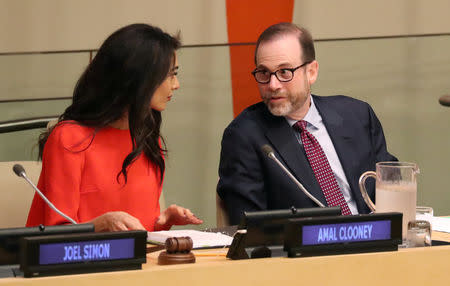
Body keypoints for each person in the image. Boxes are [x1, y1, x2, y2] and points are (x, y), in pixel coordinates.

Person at [26, 23, 203, 232]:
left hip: (135, 262)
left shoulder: (147, 137)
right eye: (170, 74)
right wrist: (99, 225)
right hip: (79, 263)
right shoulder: (69, 138)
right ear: (137, 78)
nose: (176, 84)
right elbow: (54, 234)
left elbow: (139, 235)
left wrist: (162, 222)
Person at [217, 23, 397, 225]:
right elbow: (251, 227)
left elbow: (392, 186)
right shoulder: (245, 136)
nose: (273, 85)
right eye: (263, 73)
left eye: (284, 72)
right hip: (307, 252)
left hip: (374, 243)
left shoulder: (357, 115)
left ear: (311, 72)